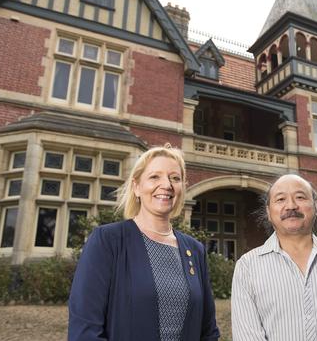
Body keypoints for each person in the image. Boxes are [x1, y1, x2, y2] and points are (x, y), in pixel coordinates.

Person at [69, 144, 219, 341]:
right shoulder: (108, 241)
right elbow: (84, 330)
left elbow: (208, 331)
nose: (166, 184)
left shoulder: (195, 250)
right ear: (136, 186)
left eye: (175, 178)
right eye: (155, 176)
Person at [231, 174, 317, 340]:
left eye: (300, 197)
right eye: (280, 199)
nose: (291, 206)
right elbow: (247, 335)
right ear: (269, 212)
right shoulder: (248, 267)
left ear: (316, 207)